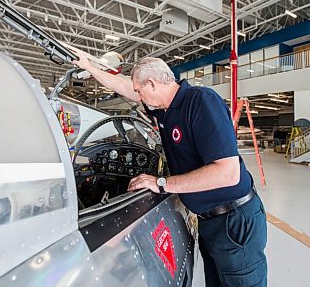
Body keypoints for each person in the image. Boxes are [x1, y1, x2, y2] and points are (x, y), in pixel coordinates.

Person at [73, 53, 267, 287]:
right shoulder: (165, 110)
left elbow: (228, 173)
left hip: (234, 222)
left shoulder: (201, 102)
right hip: (210, 221)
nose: (137, 95)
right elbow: (123, 86)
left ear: (152, 84)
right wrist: (89, 67)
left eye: (139, 90)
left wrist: (162, 183)